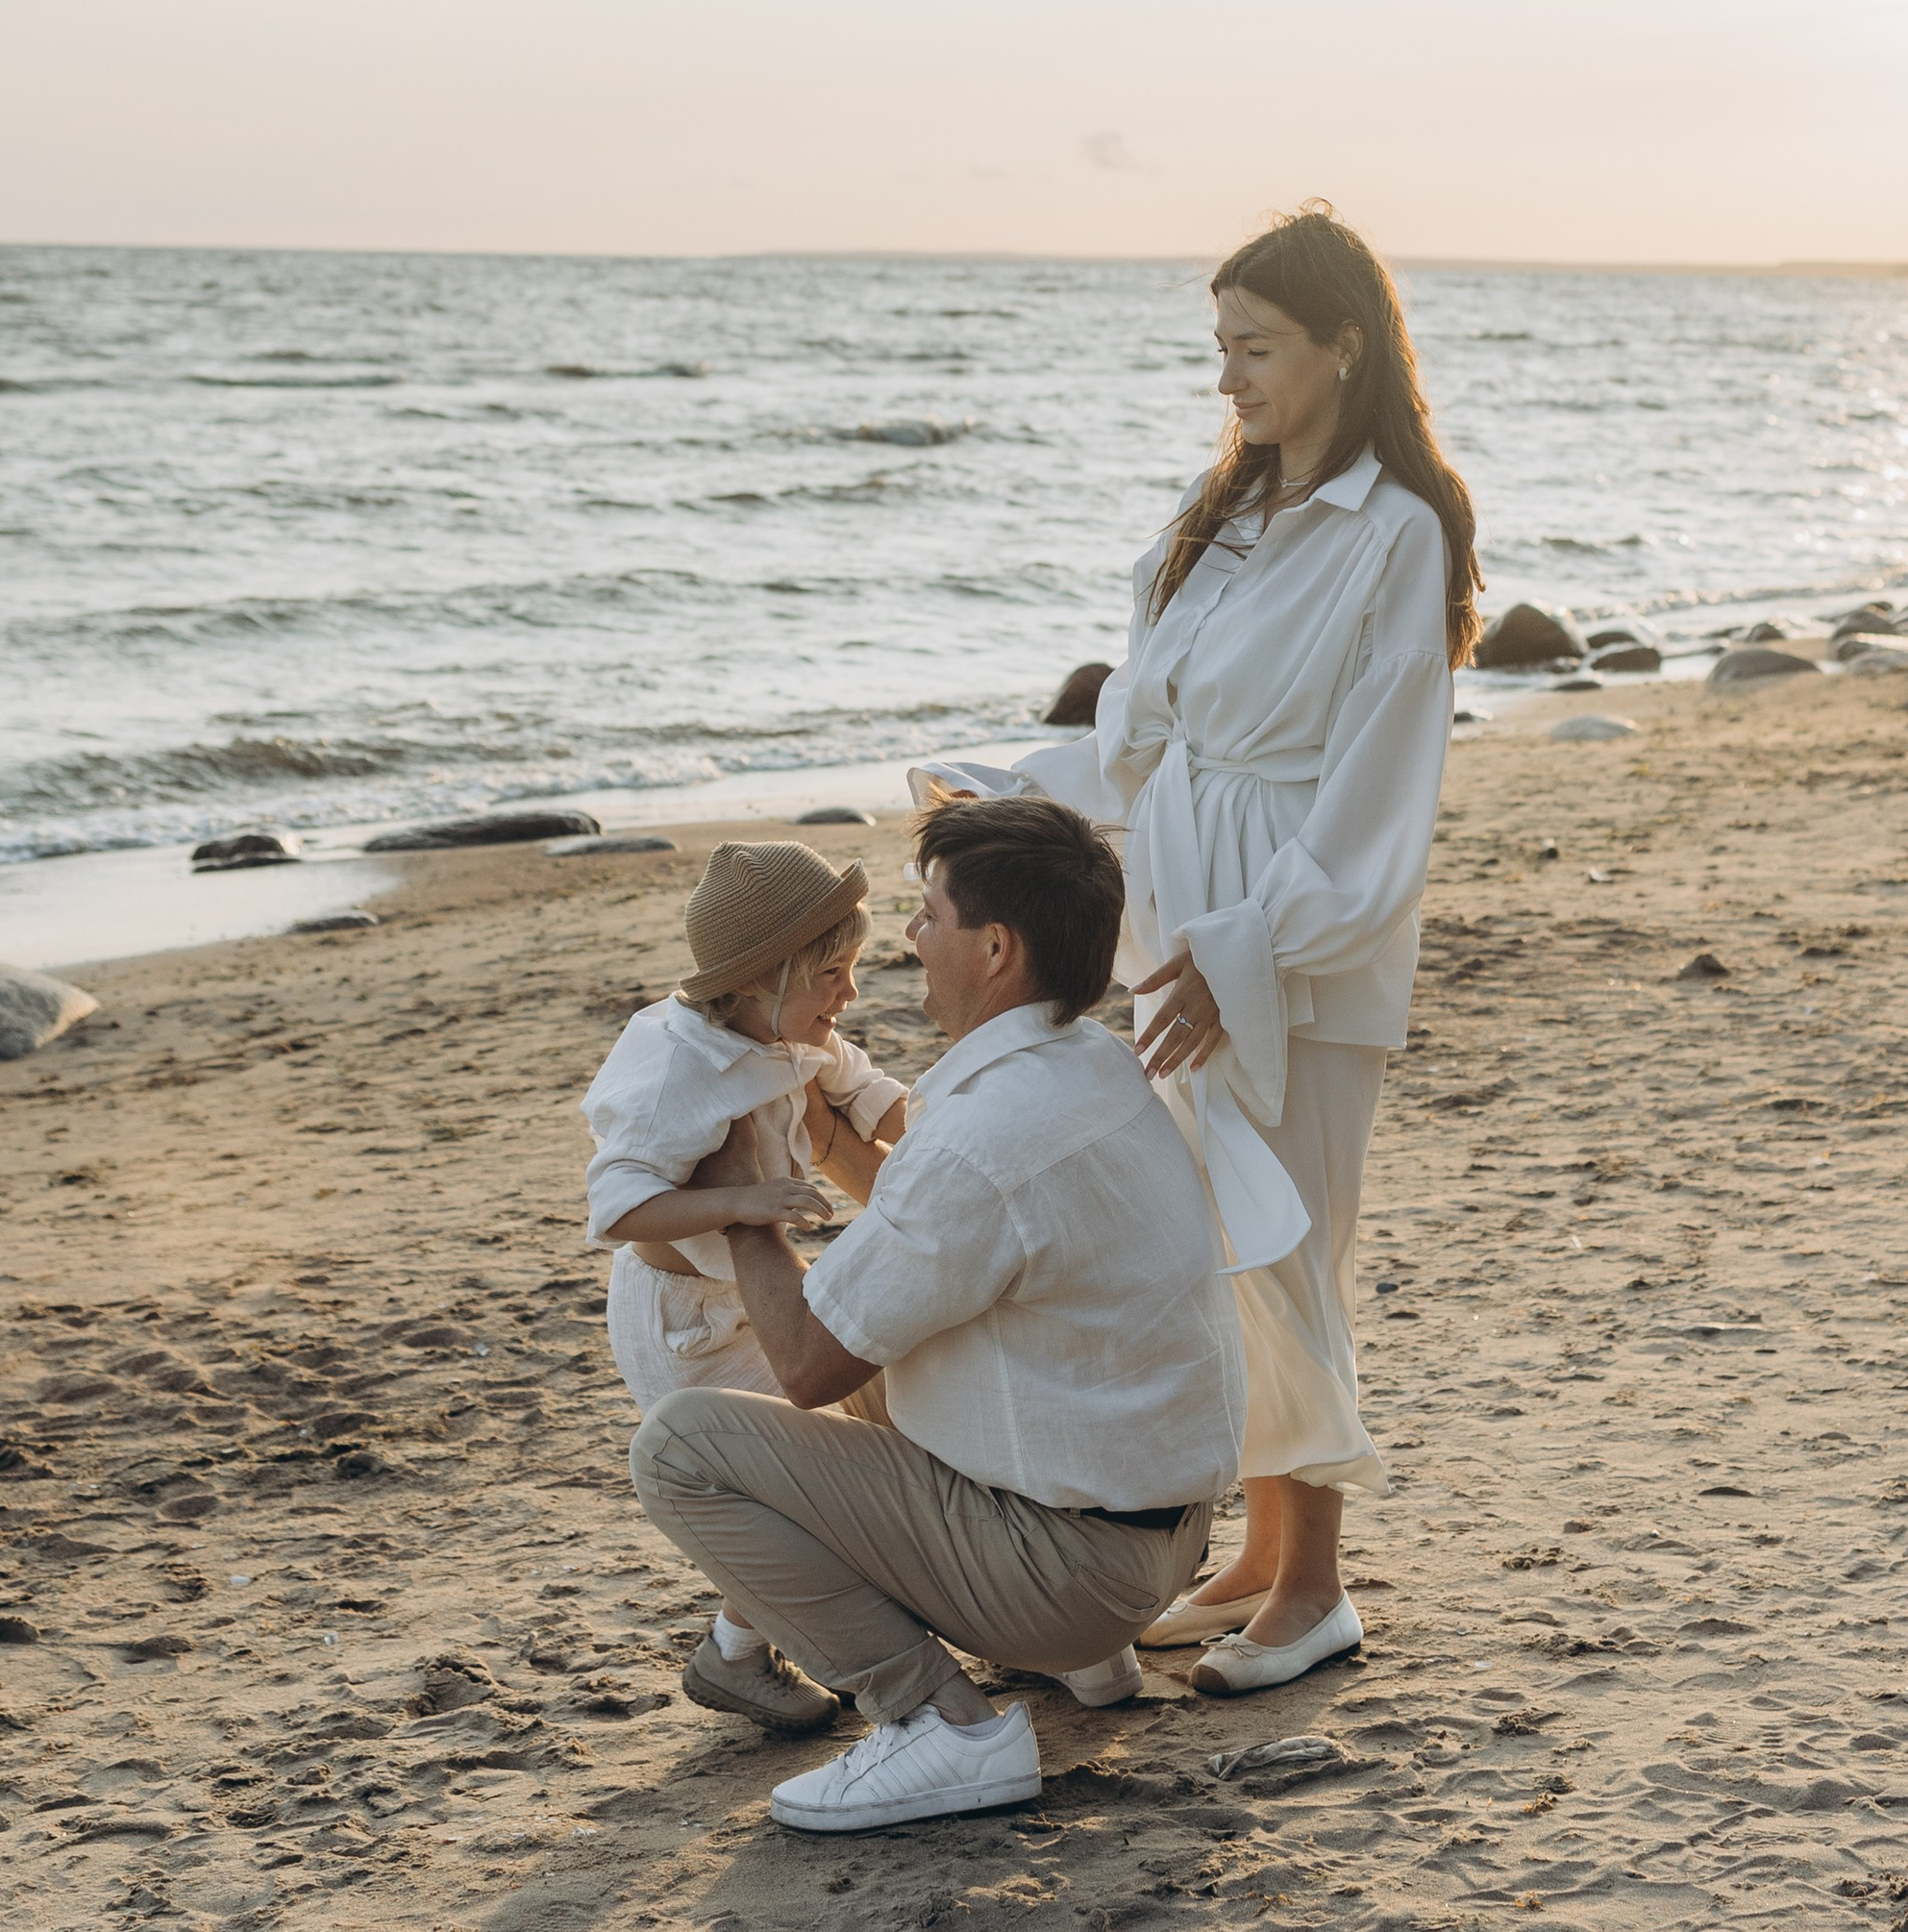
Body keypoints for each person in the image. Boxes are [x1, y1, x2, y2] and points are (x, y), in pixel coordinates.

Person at [919, 204, 1477, 1693]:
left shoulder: (1396, 534)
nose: (1227, 378)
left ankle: (1318, 1592)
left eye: (1256, 348)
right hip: (1182, 915)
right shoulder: (1213, 512)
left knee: (1289, 1243)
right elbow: (1141, 737)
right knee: (1215, 1250)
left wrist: (1252, 948)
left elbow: (1380, 788)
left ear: (1343, 348)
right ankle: (1257, 1555)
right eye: (1219, 346)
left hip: (1293, 929)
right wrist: (1013, 795)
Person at [628, 796, 1246, 1835]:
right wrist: (821, 1132)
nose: (911, 937)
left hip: (1070, 1578)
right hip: (1157, 1536)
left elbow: (808, 1364)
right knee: (888, 1338)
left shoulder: (981, 1138)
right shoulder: (1086, 1060)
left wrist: (741, 1203)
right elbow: (941, 1230)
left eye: (930, 914)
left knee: (681, 1448)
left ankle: (940, 1723)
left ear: (996, 948)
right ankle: (1088, 1664)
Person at [582, 840, 908, 1731]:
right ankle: (734, 1656)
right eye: (833, 974)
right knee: (790, 1485)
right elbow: (616, 1207)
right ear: (759, 980)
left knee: (836, 1460)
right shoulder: (677, 1069)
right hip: (683, 1323)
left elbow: (874, 1097)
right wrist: (741, 1202)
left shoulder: (791, 1031)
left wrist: (955, 1135)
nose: (851, 993)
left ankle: (743, 1645)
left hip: (749, 1296)